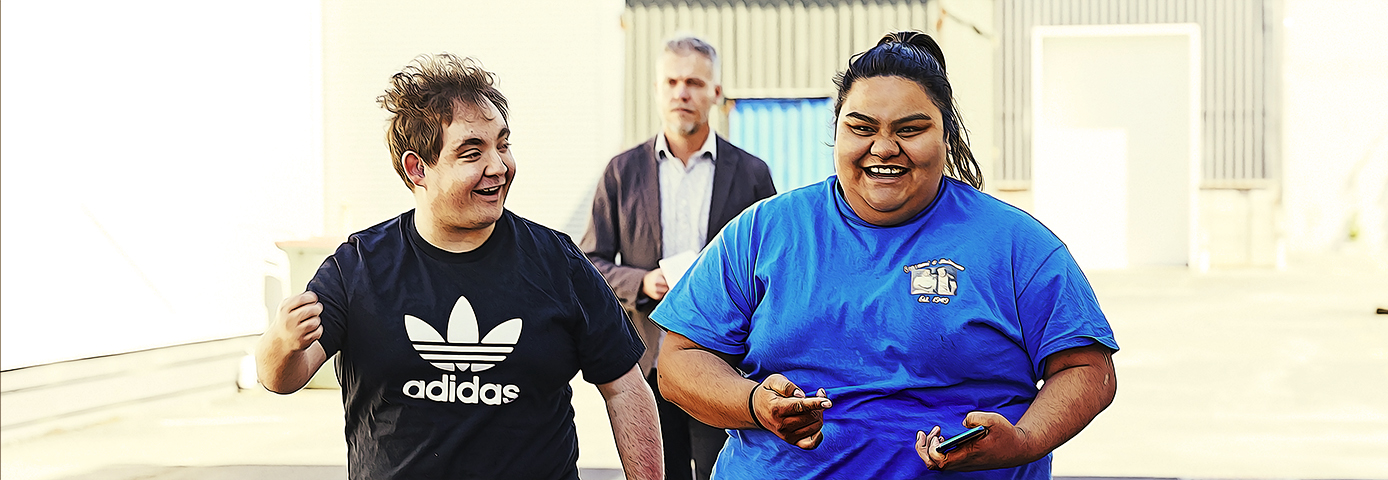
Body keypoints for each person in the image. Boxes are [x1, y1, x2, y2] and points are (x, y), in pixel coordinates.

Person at [651, 31, 1119, 479]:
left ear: (945, 135)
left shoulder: (1016, 244)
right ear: (837, 132)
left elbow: (1087, 370)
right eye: (861, 128)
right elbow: (678, 359)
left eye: (910, 129)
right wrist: (755, 403)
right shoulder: (763, 232)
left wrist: (1024, 440)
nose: (883, 148)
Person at [256, 53, 662, 480]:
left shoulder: (557, 261)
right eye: (472, 153)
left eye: (503, 144)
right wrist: (282, 342)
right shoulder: (359, 267)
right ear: (417, 168)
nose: (499, 166)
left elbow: (625, 389)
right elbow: (283, 377)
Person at [580, 35, 776, 480]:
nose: (681, 92)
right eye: (671, 81)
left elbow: (771, 273)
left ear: (716, 93)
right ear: (656, 90)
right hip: (646, 360)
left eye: (693, 82)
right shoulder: (621, 172)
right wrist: (643, 283)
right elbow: (590, 261)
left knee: (721, 473)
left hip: (723, 364)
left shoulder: (751, 174)